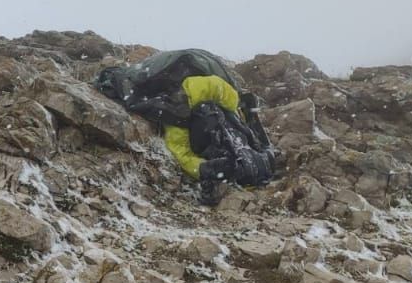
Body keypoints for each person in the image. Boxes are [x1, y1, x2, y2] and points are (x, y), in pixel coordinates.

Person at [95, 49, 277, 206]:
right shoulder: (181, 113)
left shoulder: (178, 114)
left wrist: (204, 168)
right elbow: (182, 150)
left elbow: (181, 151)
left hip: (186, 76)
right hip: (189, 74)